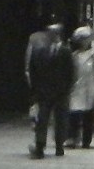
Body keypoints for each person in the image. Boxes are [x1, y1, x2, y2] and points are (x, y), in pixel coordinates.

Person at [23, 21, 73, 159]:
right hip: (44, 92)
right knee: (42, 119)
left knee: (60, 120)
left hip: (61, 92)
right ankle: (40, 145)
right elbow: (34, 70)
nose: (50, 36)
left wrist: (66, 89)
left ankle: (59, 145)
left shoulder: (65, 52)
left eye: (53, 33)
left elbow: (70, 73)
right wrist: (35, 89)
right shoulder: (40, 51)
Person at [66, 26, 94, 148]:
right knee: (74, 114)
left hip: (91, 90)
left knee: (88, 116)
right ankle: (73, 138)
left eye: (85, 39)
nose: (83, 41)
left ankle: (86, 140)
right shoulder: (74, 55)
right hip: (76, 89)